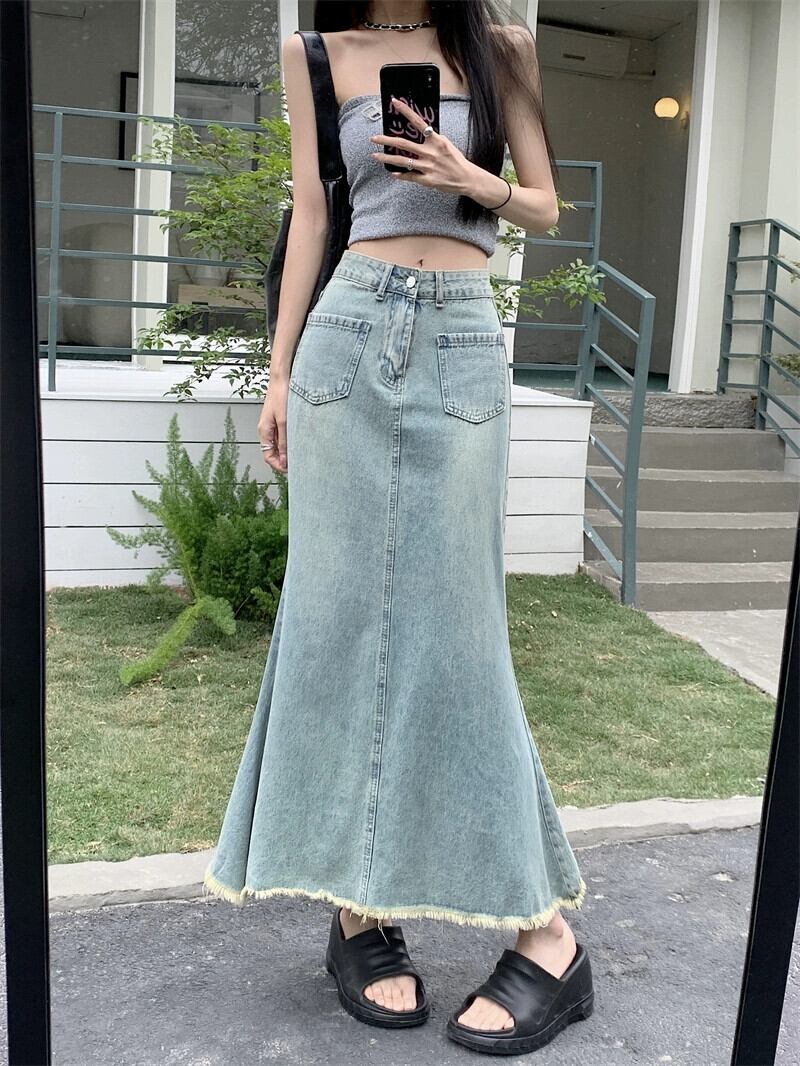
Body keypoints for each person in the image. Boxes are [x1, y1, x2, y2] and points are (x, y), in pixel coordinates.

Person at [203, 0, 594, 1055]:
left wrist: (473, 180)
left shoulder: (499, 48)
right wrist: (277, 374)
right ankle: (357, 912)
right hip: (346, 333)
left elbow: (546, 207)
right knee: (331, 627)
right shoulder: (315, 55)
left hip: (461, 338)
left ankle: (546, 932)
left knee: (461, 640)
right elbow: (311, 217)